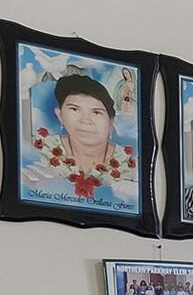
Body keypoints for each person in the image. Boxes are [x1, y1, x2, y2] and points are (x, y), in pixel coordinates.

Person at [26, 71, 136, 204]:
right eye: (74, 109)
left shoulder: (127, 163)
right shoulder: (44, 150)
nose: (85, 120)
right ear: (60, 115)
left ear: (111, 122)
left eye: (96, 112)